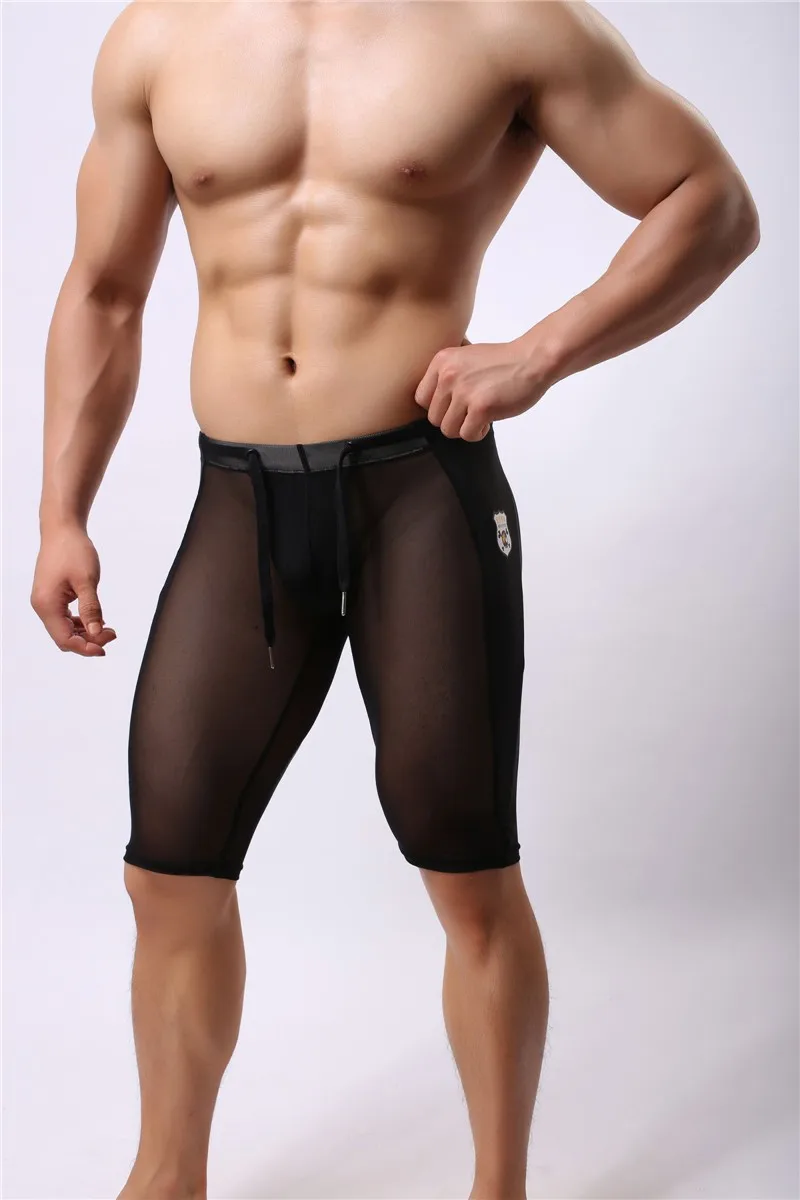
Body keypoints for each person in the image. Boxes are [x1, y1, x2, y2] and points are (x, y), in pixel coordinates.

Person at [30, 1, 759, 1197]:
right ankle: (166, 1179)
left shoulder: (506, 23)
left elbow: (710, 203)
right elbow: (105, 290)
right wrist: (62, 511)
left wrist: (538, 350)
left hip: (419, 494)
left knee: (465, 870)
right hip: (239, 501)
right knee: (167, 868)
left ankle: (496, 1188)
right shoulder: (159, 36)